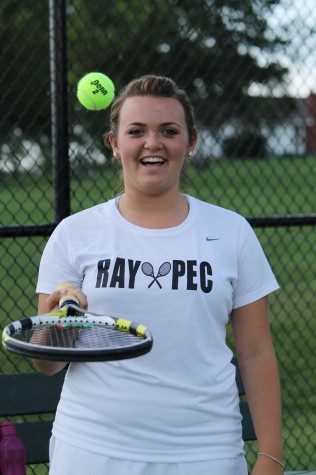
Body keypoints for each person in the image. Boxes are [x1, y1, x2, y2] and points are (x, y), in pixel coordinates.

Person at [34, 75, 283, 475]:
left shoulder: (232, 232)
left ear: (191, 142)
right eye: (136, 131)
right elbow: (48, 365)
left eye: (169, 131)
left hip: (206, 453)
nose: (153, 143)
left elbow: (256, 352)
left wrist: (271, 456)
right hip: (92, 451)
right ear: (114, 144)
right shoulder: (74, 234)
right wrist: (58, 321)